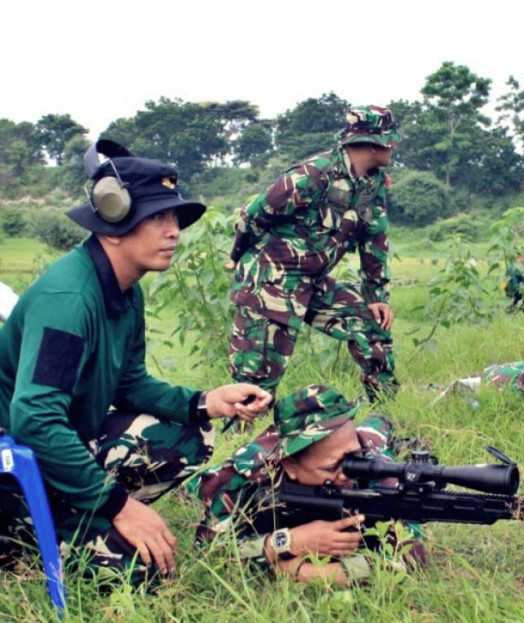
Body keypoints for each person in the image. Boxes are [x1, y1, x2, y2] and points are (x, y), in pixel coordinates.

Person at [0, 140, 272, 584]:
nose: (173, 232)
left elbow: (128, 385)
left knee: (190, 434)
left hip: (63, 445)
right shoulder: (68, 301)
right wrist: (120, 507)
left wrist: (207, 401)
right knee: (136, 570)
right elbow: (33, 418)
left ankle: (81, 517)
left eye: (175, 219)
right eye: (157, 217)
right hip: (20, 465)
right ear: (111, 223)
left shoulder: (126, 292)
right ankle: (26, 533)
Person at [227, 106, 401, 403]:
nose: (395, 146)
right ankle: (246, 442)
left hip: (312, 280)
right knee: (257, 381)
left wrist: (376, 298)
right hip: (271, 281)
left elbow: (374, 240)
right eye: (391, 140)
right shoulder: (312, 175)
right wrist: (240, 259)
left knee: (370, 326)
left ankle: (387, 409)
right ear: (374, 143)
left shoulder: (371, 184)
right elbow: (252, 216)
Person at [189, 384, 425, 585]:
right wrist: (289, 542)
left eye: (353, 459)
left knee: (375, 428)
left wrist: (306, 572)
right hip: (265, 456)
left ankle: (380, 419)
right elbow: (210, 553)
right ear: (290, 466)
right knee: (197, 485)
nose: (347, 474)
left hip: (366, 438)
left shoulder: (374, 466)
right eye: (332, 468)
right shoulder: (243, 475)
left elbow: (410, 557)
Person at [503, 246, 524, 312]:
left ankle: (512, 308)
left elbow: (503, 284)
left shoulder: (513, 265)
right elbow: (519, 286)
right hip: (515, 291)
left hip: (509, 291)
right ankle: (521, 310)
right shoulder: (517, 269)